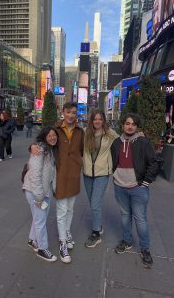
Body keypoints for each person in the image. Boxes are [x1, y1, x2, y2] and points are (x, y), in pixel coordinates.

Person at [31, 102, 84, 264]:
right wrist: (32, 146)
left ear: (76, 114)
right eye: (68, 112)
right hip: (59, 175)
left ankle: (67, 232)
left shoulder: (80, 131)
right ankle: (62, 243)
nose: (70, 115)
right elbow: (42, 141)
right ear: (63, 112)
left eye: (73, 113)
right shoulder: (56, 130)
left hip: (74, 175)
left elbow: (82, 150)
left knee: (70, 209)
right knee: (61, 211)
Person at [111, 113, 159, 269]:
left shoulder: (143, 142)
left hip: (138, 187)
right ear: (123, 125)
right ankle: (127, 240)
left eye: (133, 124)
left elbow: (153, 163)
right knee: (125, 216)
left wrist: (146, 181)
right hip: (120, 186)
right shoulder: (116, 143)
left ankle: (145, 249)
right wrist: (114, 176)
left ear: (137, 126)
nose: (130, 126)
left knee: (140, 219)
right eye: (127, 123)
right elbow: (113, 161)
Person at [83, 109, 118, 248]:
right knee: (93, 202)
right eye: (95, 119)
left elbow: (124, 140)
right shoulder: (85, 133)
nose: (97, 121)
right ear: (91, 120)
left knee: (95, 203)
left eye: (100, 119)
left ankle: (96, 233)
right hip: (87, 173)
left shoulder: (109, 133)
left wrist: (138, 135)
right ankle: (99, 225)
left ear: (103, 120)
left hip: (102, 173)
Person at [23, 126, 58, 262]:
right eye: (49, 135)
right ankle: (43, 249)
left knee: (38, 218)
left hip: (43, 191)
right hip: (35, 191)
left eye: (54, 135)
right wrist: (39, 197)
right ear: (44, 137)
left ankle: (32, 240)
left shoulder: (49, 150)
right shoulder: (40, 150)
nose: (52, 137)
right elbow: (35, 174)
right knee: (41, 220)